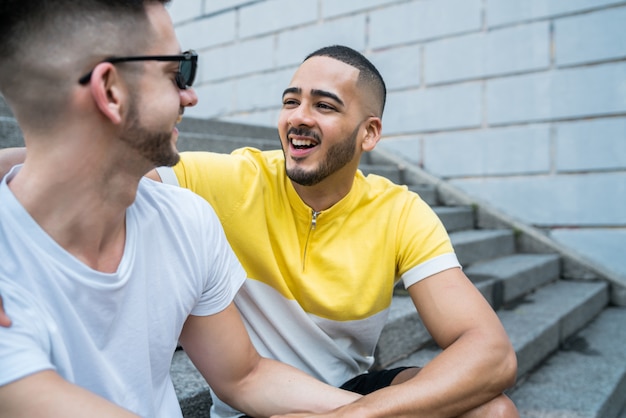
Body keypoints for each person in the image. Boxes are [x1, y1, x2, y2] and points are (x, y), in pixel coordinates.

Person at [0, 43, 518, 416]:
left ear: (370, 133)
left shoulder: (400, 211)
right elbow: (68, 164)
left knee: (494, 413)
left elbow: (490, 352)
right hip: (259, 403)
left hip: (343, 392)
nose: (299, 116)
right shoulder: (229, 178)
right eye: (291, 100)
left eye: (324, 105)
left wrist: (358, 417)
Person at [0, 2, 361, 417]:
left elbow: (244, 376)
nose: (190, 95)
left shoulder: (185, 219)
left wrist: (385, 410)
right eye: (178, 73)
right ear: (112, 91)